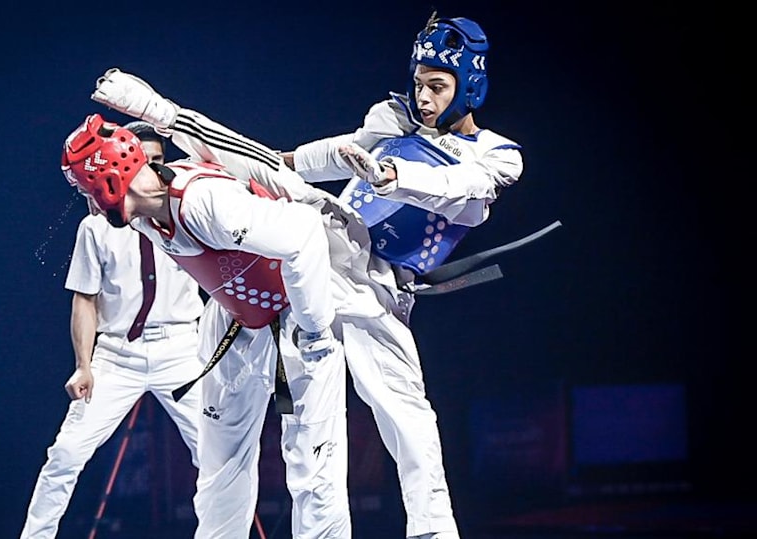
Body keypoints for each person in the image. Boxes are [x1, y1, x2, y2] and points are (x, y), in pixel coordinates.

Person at [61, 68, 354, 539]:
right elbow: (222, 147)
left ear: (113, 177)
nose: (88, 203)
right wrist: (156, 116)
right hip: (235, 321)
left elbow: (303, 236)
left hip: (297, 314)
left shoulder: (203, 202)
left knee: (312, 468)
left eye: (86, 188)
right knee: (219, 467)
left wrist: (317, 333)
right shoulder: (141, 214)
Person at [278, 13, 526, 539]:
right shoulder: (392, 119)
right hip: (320, 255)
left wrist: (394, 176)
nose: (424, 97)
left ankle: (433, 532)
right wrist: (276, 163)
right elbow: (339, 151)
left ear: (470, 87)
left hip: (381, 288)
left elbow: (459, 188)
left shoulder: (497, 156)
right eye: (419, 83)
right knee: (307, 420)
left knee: (408, 416)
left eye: (437, 86)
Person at [19, 121, 207, 538]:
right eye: (143, 161)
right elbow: (84, 298)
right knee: (65, 453)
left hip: (181, 348)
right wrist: (82, 366)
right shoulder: (96, 227)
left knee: (216, 456)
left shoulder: (188, 210)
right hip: (117, 356)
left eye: (159, 161)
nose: (152, 171)